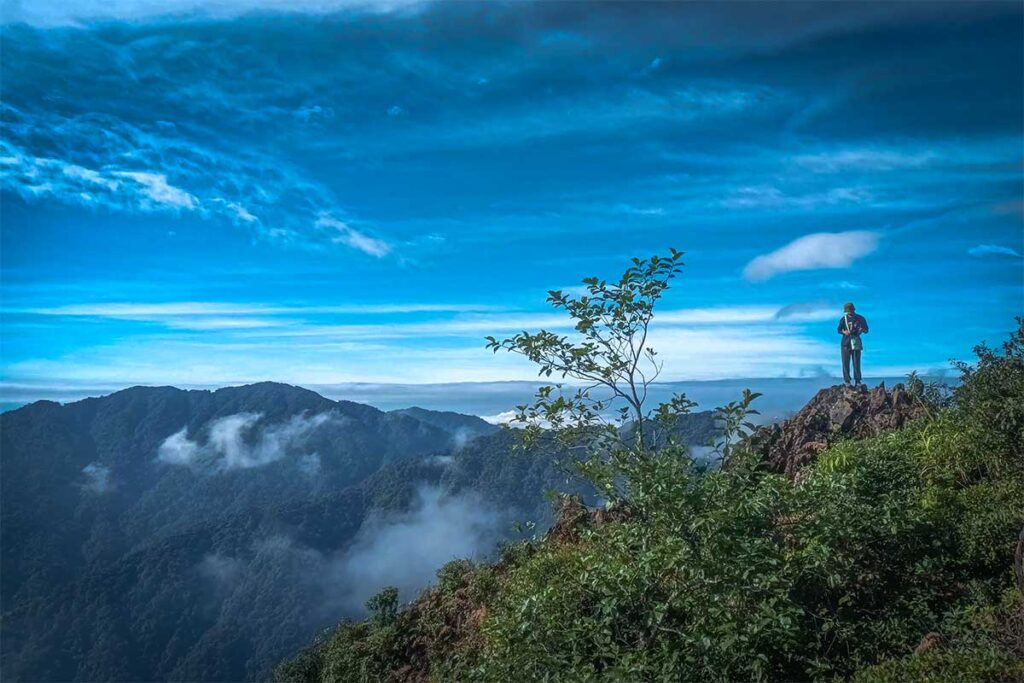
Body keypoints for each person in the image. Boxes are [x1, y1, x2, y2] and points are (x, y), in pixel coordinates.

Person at [837, 302, 869, 386]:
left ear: (853, 310)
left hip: (856, 342)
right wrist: (844, 332)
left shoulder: (860, 318)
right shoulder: (843, 319)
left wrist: (861, 330)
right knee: (845, 362)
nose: (849, 313)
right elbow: (839, 330)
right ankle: (847, 381)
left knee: (856, 362)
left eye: (850, 311)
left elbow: (866, 330)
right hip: (845, 343)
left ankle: (858, 381)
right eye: (847, 312)